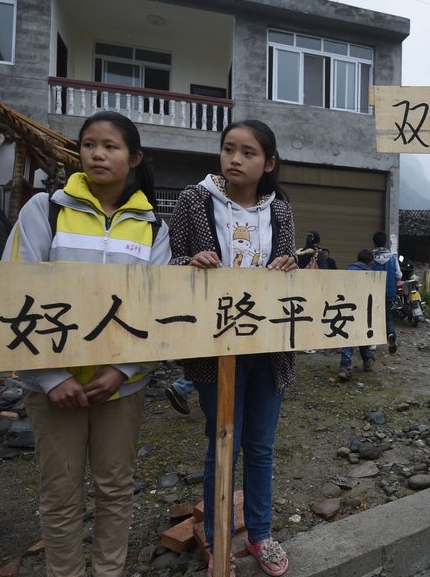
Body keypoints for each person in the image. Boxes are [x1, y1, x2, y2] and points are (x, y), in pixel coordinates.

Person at [3, 111, 171, 576]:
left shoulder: (154, 227)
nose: (98, 153)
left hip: (120, 388)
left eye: (111, 146)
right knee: (60, 493)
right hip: (52, 390)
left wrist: (125, 371)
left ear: (133, 158)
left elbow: (157, 312)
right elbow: (13, 296)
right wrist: (51, 377)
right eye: (89, 144)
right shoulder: (45, 211)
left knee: (115, 489)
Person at [168, 119, 296, 577]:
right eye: (228, 149)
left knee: (260, 446)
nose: (235, 159)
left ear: (269, 163)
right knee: (223, 442)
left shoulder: (279, 209)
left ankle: (260, 535)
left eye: (248, 153)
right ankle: (219, 544)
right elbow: (169, 264)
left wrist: (289, 264)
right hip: (214, 345)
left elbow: (290, 267)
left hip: (269, 347)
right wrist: (190, 262)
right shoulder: (192, 199)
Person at [336, 249, 376, 382]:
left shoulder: (348, 271)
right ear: (370, 262)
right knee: (359, 336)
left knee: (351, 335)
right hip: (363, 309)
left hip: (347, 307)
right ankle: (345, 367)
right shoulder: (370, 274)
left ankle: (366, 360)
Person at [371, 231, 401, 354]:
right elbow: (399, 274)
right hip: (389, 293)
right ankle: (390, 334)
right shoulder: (392, 258)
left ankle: (372, 343)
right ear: (385, 242)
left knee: (372, 316)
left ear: (374, 242)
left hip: (373, 293)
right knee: (388, 317)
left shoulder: (370, 257)